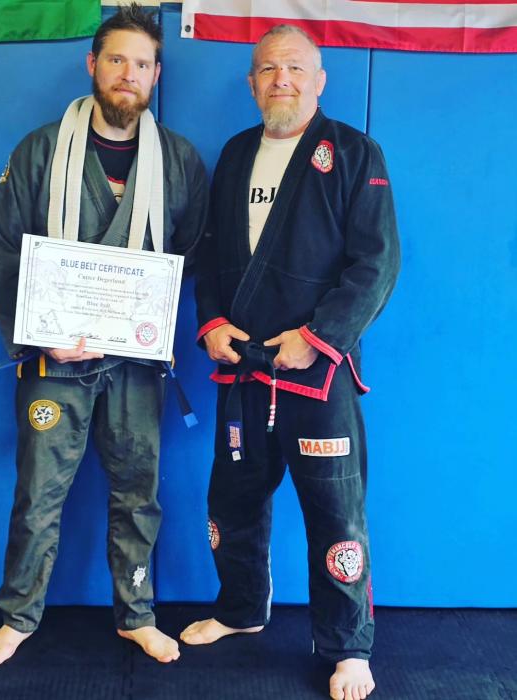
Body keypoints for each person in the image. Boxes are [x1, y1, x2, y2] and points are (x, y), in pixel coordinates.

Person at [0, 3, 208, 666]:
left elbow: (192, 253)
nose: (128, 73)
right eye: (116, 60)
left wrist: (145, 315)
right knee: (38, 492)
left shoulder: (179, 161)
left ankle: (137, 614)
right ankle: (19, 616)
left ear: (156, 74)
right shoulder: (41, 150)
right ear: (92, 65)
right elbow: (5, 248)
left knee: (139, 492)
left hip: (134, 362)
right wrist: (38, 335)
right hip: (55, 360)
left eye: (142, 63)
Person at [180, 25, 400, 700]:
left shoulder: (354, 153)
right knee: (232, 502)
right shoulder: (236, 153)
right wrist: (211, 321)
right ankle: (241, 609)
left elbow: (377, 263)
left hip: (318, 373)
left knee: (336, 513)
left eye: (296, 68)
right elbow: (210, 253)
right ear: (251, 84)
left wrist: (318, 336)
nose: (282, 79)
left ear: (320, 80)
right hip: (244, 369)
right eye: (268, 69)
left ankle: (348, 648)